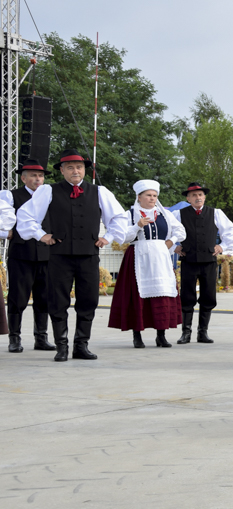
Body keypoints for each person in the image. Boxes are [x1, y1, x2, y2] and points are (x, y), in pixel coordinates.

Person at [17, 150, 128, 361]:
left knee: (88, 300)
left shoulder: (99, 191)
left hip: (88, 255)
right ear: (61, 170)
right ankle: (62, 346)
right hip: (59, 256)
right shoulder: (48, 190)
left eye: (79, 167)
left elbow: (119, 217)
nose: (75, 171)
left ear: (84, 170)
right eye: (69, 167)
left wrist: (108, 237)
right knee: (58, 300)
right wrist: (41, 235)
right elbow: (25, 215)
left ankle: (81, 345)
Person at [108, 180, 186, 348]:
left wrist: (170, 242)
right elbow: (123, 238)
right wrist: (137, 226)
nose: (152, 198)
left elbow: (181, 231)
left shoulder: (165, 214)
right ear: (139, 197)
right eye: (148, 195)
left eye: (154, 195)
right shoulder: (130, 214)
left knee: (162, 294)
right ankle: (137, 336)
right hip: (138, 256)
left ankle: (161, 335)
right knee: (137, 295)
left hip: (160, 256)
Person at [172, 183, 233, 344]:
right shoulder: (178, 214)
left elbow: (230, 231)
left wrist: (222, 246)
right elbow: (167, 231)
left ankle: (203, 332)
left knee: (208, 296)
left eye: (200, 194)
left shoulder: (216, 213)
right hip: (188, 260)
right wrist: (174, 246)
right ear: (188, 198)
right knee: (187, 296)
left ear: (204, 197)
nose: (197, 197)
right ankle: (185, 333)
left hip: (209, 262)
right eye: (194, 195)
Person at [1, 158, 54, 353]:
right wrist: (6, 232)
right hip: (21, 254)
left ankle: (41, 337)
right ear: (24, 178)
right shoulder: (11, 196)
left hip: (47, 255)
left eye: (40, 176)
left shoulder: (51, 196)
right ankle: (14, 338)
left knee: (44, 298)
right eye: (33, 176)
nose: (38, 179)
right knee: (18, 298)